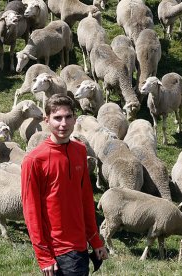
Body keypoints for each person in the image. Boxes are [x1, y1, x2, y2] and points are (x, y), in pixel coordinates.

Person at [21, 94, 108, 276]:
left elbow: (85, 198)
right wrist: (43, 255)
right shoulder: (34, 160)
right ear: (47, 120)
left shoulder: (80, 150)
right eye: (57, 118)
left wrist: (95, 239)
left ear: (75, 119)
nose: (63, 123)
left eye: (68, 117)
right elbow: (31, 211)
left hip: (80, 245)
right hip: (57, 249)